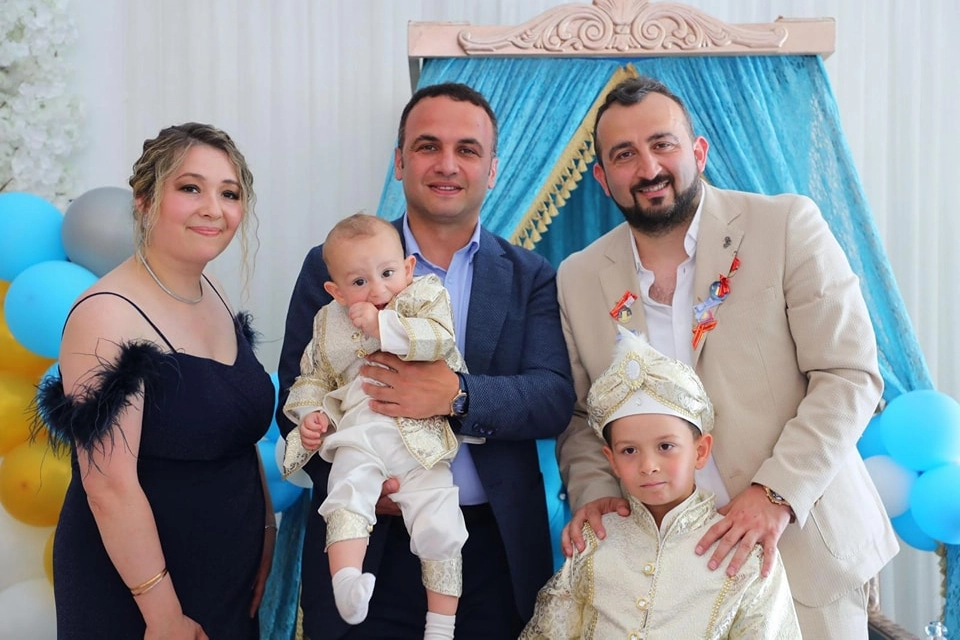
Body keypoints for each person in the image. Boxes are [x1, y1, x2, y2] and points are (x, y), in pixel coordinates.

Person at [555, 75, 898, 639]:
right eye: (624, 154)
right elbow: (578, 417)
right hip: (663, 579)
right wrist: (595, 497)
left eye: (662, 144)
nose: (648, 168)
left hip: (801, 552)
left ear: (698, 151)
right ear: (602, 176)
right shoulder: (578, 276)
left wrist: (776, 493)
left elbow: (848, 374)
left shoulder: (786, 225)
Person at [276, 82, 576, 639]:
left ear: (492, 170)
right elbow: (298, 391)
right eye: (427, 146)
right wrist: (357, 481)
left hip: (492, 552)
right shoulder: (336, 263)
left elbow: (552, 396)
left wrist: (456, 395)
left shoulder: (530, 275)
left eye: (467, 150)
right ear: (399, 161)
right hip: (368, 539)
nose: (447, 164)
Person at [35, 123, 276, 639]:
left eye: (229, 193)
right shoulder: (106, 313)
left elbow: (232, 425)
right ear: (144, 201)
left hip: (228, 577)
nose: (213, 208)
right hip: (139, 594)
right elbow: (108, 485)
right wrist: (162, 614)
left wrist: (266, 525)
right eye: (190, 188)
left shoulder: (212, 289)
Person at [522, 329, 801, 639]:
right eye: (629, 451)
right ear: (611, 460)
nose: (648, 466)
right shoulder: (593, 543)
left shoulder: (746, 555)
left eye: (666, 446)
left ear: (701, 451)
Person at [280, 213, 469, 639]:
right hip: (359, 433)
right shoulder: (327, 322)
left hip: (420, 439)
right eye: (359, 282)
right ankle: (347, 582)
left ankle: (441, 626)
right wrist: (311, 416)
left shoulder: (426, 297)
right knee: (346, 495)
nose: (378, 290)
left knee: (441, 523)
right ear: (336, 291)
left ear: (408, 268)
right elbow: (312, 377)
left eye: (387, 274)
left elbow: (439, 340)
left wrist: (382, 326)